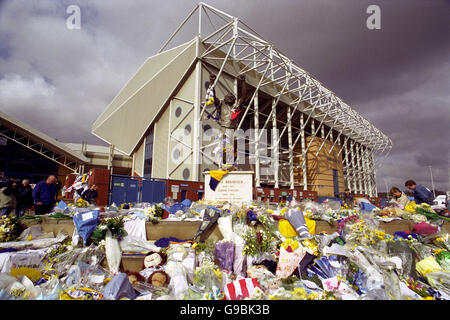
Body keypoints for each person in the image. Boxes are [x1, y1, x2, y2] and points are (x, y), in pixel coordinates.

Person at [207, 73, 248, 169]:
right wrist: (212, 81)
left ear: (234, 100)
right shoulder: (221, 105)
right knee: (224, 147)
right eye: (228, 97)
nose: (230, 97)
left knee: (234, 149)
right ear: (225, 99)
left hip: (234, 130)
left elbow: (243, 96)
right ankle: (222, 165)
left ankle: (231, 164)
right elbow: (214, 96)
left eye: (232, 97)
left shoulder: (236, 106)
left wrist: (243, 82)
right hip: (224, 129)